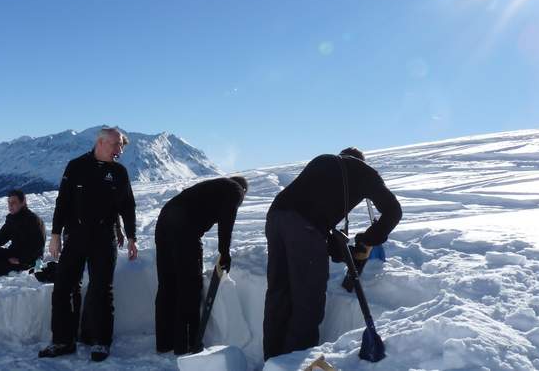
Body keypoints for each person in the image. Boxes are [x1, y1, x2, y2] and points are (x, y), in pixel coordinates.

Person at [263, 147, 401, 360]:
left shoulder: (322, 161)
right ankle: (294, 362)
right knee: (307, 300)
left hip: (275, 218)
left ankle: (271, 360)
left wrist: (331, 246)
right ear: (360, 161)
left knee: (279, 292)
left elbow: (311, 214)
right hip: (305, 226)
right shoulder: (365, 172)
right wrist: (368, 238)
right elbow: (393, 211)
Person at [39, 127, 138, 362]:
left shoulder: (119, 172)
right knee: (64, 287)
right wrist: (54, 234)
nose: (120, 151)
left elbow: (128, 206)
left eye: (121, 146)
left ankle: (100, 342)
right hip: (76, 236)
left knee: (102, 290)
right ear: (101, 143)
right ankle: (63, 340)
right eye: (116, 145)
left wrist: (132, 237)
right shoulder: (76, 167)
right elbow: (62, 202)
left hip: (105, 238)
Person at [154, 176, 248, 355]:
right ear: (243, 191)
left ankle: (165, 342)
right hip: (184, 227)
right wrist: (224, 252)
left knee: (168, 284)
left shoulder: (214, 187)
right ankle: (188, 343)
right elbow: (227, 221)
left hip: (165, 221)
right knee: (189, 285)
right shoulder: (235, 190)